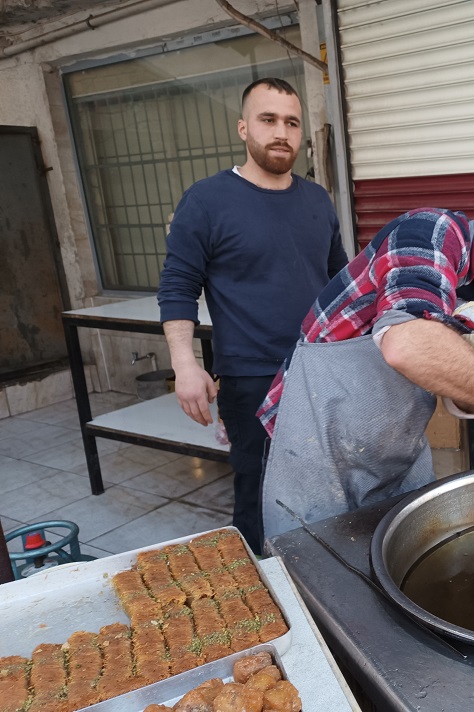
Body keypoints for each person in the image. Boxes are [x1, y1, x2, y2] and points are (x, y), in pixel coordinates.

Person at [257, 178, 474, 538]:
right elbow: (407, 343)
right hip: (311, 445)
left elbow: (461, 395)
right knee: (307, 572)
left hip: (393, 451)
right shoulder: (432, 232)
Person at [157, 77, 349, 554]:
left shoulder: (317, 200)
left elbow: (340, 282)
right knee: (259, 489)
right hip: (251, 377)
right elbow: (178, 286)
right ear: (244, 128)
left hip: (320, 368)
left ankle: (319, 583)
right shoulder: (206, 201)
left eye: (291, 122)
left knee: (327, 482)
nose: (280, 132)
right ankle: (261, 586)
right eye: (268, 120)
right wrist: (185, 365)